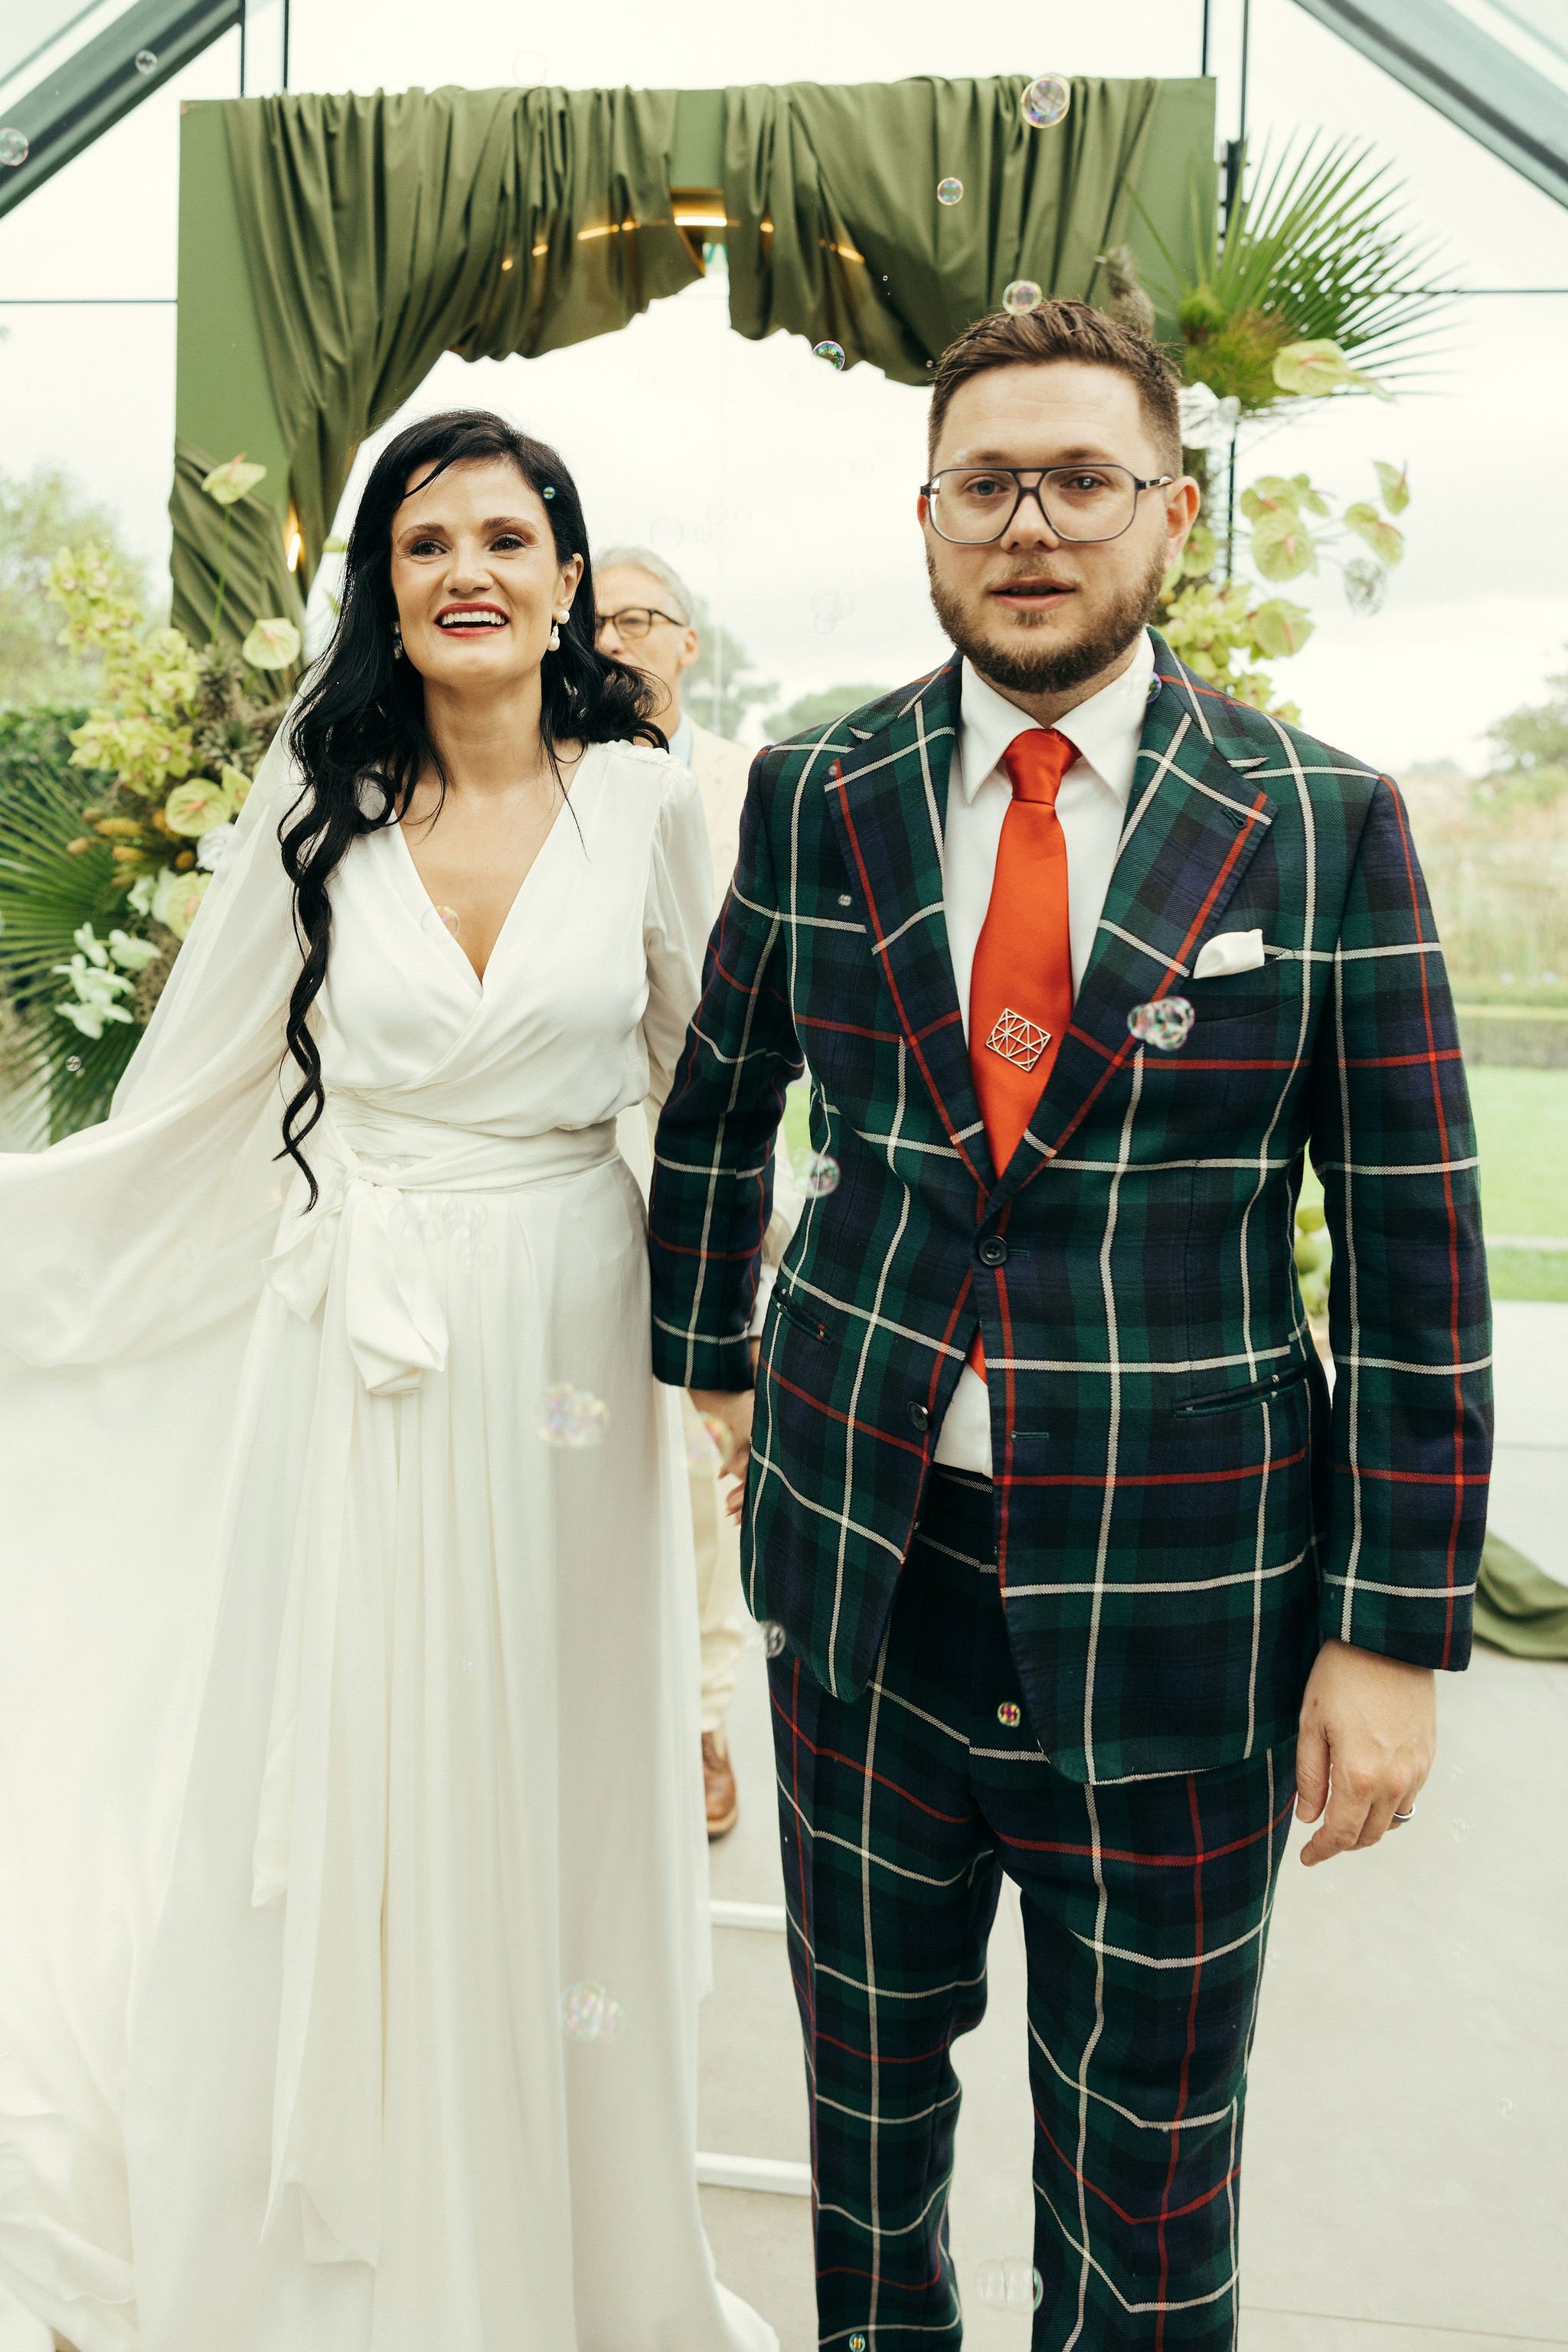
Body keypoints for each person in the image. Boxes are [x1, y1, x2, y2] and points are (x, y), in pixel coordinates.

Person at [648, 304, 1491, 2347]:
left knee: (1149, 2172)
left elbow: (1415, 1247)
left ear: (1172, 513)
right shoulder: (818, 788)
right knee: (867, 2133)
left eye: (1082, 480)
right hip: (865, 1586)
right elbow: (717, 1109)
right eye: (986, 483)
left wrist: (1390, 1629)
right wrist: (711, 1368)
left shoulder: (1319, 818)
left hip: (1185, 1606)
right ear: (926, 515)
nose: (1030, 525)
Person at [0, 410, 774, 2352]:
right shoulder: (321, 807)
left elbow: (704, 1095)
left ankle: (562, 2237)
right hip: (354, 1343)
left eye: (506, 538)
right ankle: (336, 2251)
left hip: (573, 1335)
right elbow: (194, 1095)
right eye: (425, 544)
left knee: (556, 1768)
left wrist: (733, 1360)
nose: (467, 573)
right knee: (349, 1754)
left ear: (568, 579)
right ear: (385, 590)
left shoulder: (647, 805)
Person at [594, 546, 764, 1841]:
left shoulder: (749, 786)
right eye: (593, 622)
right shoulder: (551, 777)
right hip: (584, 1151)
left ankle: (703, 1712)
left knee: (699, 1461)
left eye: (639, 620)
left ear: (688, 642)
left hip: (708, 1159)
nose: (614, 641)